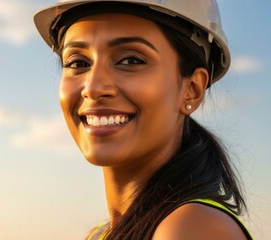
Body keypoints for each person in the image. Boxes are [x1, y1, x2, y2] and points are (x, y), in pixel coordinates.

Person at [34, 1, 253, 239]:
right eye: (78, 63)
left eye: (131, 60)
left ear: (192, 89)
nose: (94, 87)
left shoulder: (190, 229)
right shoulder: (101, 234)